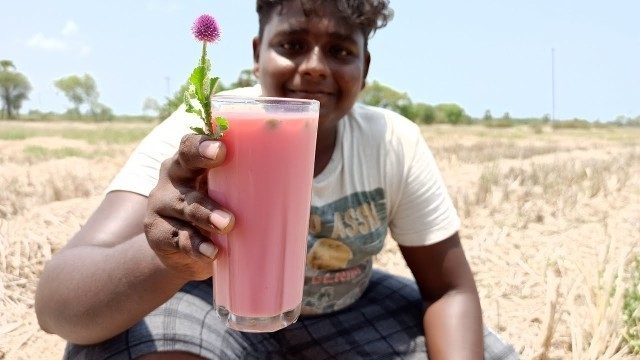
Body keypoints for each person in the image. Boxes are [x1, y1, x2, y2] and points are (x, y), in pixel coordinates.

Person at [35, 0, 519, 359]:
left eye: (339, 50)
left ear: (364, 68)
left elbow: (449, 290)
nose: (313, 67)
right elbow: (59, 309)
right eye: (290, 45)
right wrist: (166, 253)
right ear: (257, 53)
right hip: (215, 309)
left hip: (344, 309)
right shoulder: (204, 131)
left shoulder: (393, 141)